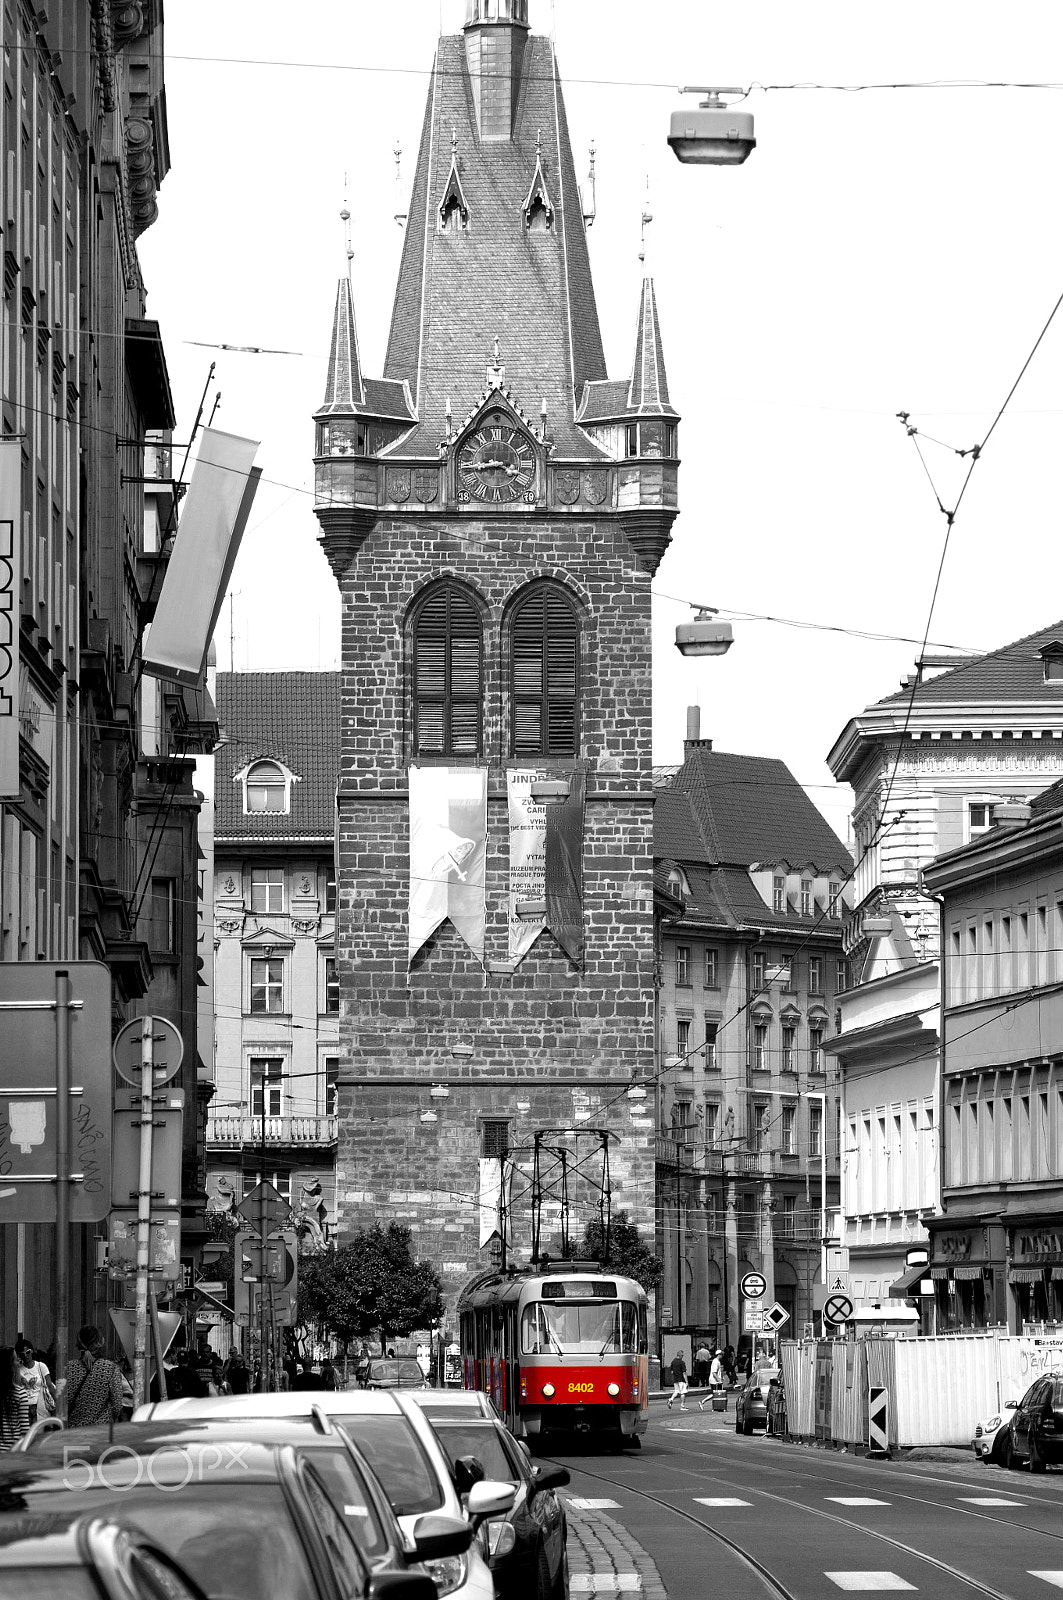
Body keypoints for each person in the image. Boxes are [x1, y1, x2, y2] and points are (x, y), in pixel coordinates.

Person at [66, 1326, 125, 1428]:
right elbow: (117, 1405)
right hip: (101, 1434)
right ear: (101, 1342)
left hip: (73, 1433)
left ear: (79, 1343)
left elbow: (61, 1402)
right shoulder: (110, 1368)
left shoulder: (68, 1368)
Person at [15, 1338, 54, 1422]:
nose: (26, 1356)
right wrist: (17, 1366)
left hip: (39, 1405)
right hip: (24, 1407)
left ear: (32, 1351)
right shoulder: (18, 1369)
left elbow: (50, 1386)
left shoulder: (40, 1366)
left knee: (39, 1432)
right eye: (22, 1354)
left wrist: (57, 1406)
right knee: (27, 1433)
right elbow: (16, 1387)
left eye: (28, 1352)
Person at [0, 1348, 29, 1451]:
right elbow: (24, 1429)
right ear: (10, 1365)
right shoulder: (20, 1393)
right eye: (17, 1360)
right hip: (12, 1453)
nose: (19, 1363)